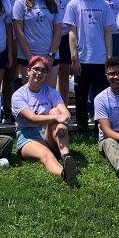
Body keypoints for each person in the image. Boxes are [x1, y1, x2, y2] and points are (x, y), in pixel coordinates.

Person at [11, 56, 79, 187]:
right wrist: (57, 118)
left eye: (43, 71)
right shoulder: (18, 95)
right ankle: (66, 174)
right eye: (36, 69)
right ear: (28, 71)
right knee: (46, 155)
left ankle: (66, 157)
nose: (39, 73)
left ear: (46, 74)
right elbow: (33, 119)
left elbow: (65, 112)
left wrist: (61, 123)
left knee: (55, 112)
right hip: (28, 137)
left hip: (47, 135)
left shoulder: (51, 92)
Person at [64, 0, 116, 137]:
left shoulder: (103, 5)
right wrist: (74, 57)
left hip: (101, 59)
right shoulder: (73, 4)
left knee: (102, 97)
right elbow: (72, 32)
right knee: (81, 96)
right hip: (82, 59)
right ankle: (82, 128)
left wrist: (109, 56)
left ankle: (100, 128)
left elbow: (108, 32)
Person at [12, 0, 63, 85]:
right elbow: (19, 31)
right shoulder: (21, 1)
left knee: (49, 93)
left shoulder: (53, 3)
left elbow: (58, 31)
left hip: (49, 56)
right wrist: (30, 56)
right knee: (30, 93)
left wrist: (51, 56)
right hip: (28, 57)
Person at [49, 0, 73, 104]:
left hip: (63, 36)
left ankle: (63, 105)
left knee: (64, 74)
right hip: (49, 36)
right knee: (49, 73)